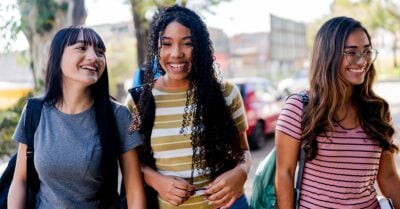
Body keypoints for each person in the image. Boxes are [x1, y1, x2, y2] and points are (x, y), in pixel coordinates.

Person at [125, 5, 251, 209]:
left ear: (199, 47)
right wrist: (157, 181)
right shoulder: (139, 102)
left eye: (187, 44)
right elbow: (132, 165)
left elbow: (243, 151)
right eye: (167, 44)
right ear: (157, 48)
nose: (176, 54)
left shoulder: (227, 93)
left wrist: (242, 172)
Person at [8, 26, 146, 208]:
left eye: (100, 52)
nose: (93, 57)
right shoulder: (35, 111)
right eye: (81, 48)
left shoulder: (117, 115)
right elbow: (20, 181)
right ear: (57, 57)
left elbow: (134, 188)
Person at [275, 16, 400, 209]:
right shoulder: (299, 107)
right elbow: (285, 174)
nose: (362, 60)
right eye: (352, 52)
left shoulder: (378, 110)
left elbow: (388, 176)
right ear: (328, 55)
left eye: (367, 51)